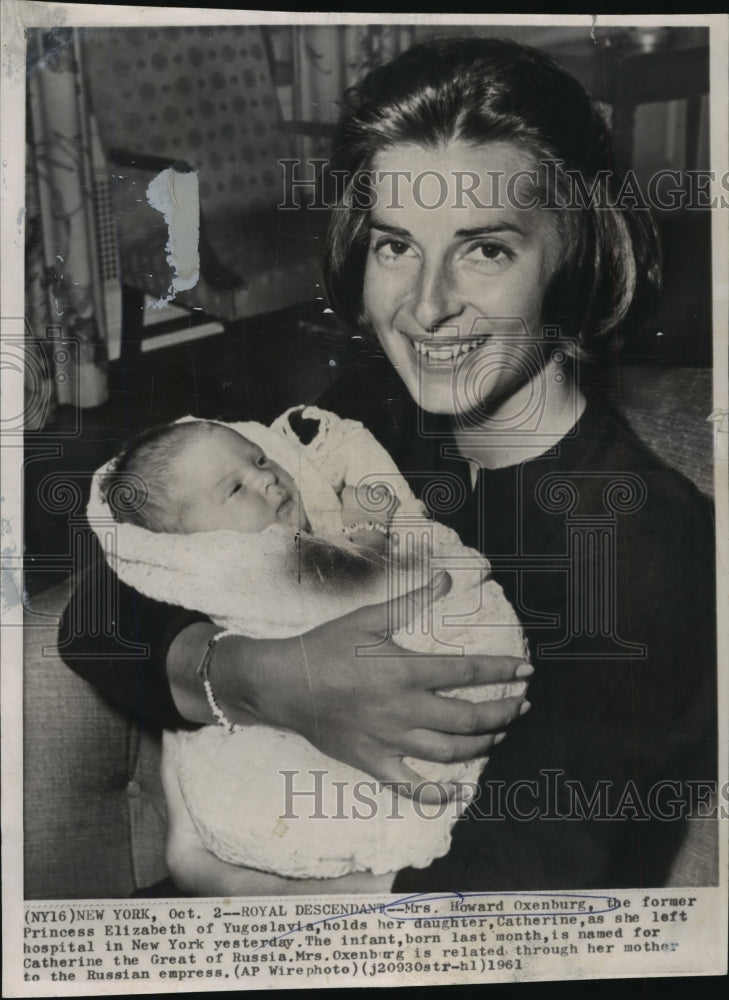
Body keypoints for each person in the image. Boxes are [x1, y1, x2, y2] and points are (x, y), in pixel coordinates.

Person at [62, 35, 717, 891]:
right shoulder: (375, 408)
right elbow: (104, 590)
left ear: (579, 252)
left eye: (486, 249)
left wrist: (222, 882)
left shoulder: (640, 550)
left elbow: (508, 910)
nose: (426, 308)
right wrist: (255, 679)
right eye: (395, 245)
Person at [88, 408, 529, 894]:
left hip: (399, 886)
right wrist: (373, 534)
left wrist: (213, 873)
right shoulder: (244, 561)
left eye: (259, 459)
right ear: (185, 547)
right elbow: (87, 618)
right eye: (235, 489)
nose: (267, 477)